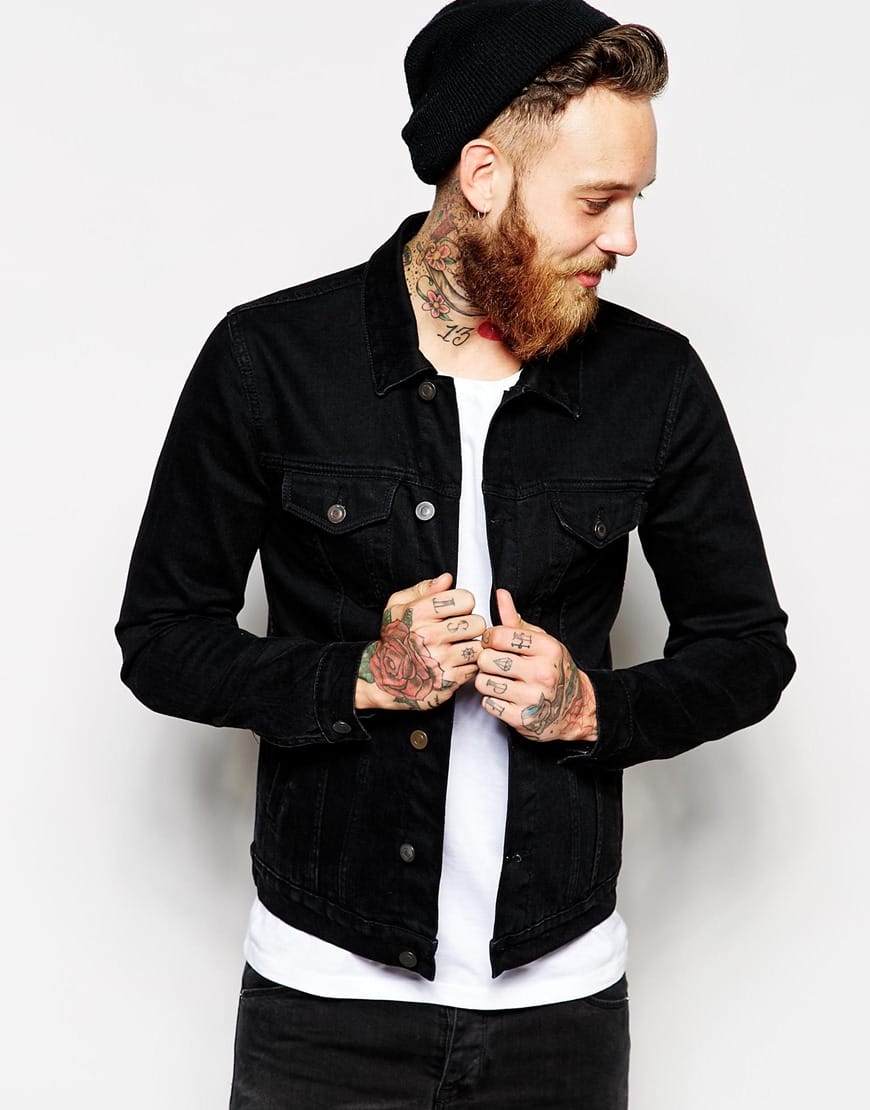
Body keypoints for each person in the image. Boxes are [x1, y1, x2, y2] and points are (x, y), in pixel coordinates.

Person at [116, 1, 795, 1106]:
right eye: (597, 201)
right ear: (484, 175)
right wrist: (358, 675)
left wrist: (593, 707)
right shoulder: (270, 359)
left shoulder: (655, 381)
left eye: (637, 200)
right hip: (323, 1000)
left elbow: (748, 649)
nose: (627, 239)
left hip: (561, 1004)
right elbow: (159, 640)